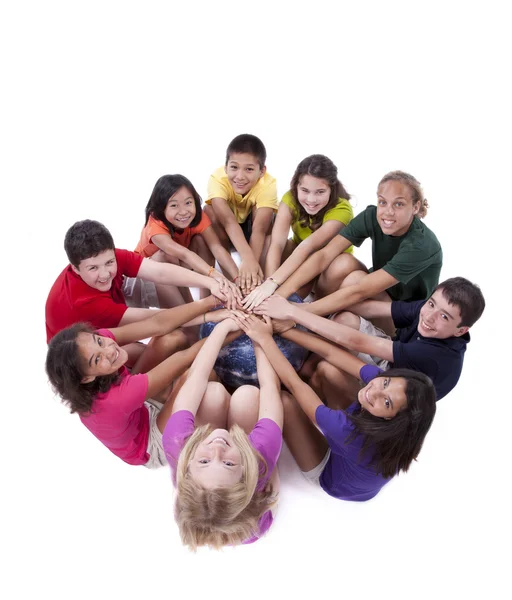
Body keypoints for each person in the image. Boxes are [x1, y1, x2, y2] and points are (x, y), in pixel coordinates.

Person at [233, 314, 436, 502]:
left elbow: (295, 384)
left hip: (334, 478)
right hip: (356, 453)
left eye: (387, 402)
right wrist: (285, 329)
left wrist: (264, 338)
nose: (374, 392)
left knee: (285, 401)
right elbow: (330, 352)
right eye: (384, 384)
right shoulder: (384, 384)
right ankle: (314, 403)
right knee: (327, 370)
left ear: (392, 420)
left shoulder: (349, 432)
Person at [45, 298, 239, 468]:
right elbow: (187, 357)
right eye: (97, 359)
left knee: (169, 339)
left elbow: (157, 323)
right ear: (86, 378)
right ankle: (231, 420)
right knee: (199, 376)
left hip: (138, 410)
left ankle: (177, 398)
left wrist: (211, 302)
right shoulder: (117, 399)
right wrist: (237, 325)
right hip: (149, 443)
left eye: (100, 341)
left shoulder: (96, 344)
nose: (109, 350)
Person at [255, 276, 486, 401]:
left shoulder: (435, 355)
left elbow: (359, 342)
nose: (430, 316)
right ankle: (306, 358)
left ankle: (307, 379)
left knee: (327, 369)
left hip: (392, 390)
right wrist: (305, 309)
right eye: (432, 304)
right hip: (398, 354)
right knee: (346, 315)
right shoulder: (430, 309)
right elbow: (374, 308)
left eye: (444, 316)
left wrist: (292, 314)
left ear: (460, 330)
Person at [162, 315, 284, 549]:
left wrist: (223, 327)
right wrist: (260, 337)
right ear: (247, 471)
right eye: (228, 464)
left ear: (187, 468)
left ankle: (215, 470)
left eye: (205, 460)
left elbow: (196, 375)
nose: (217, 447)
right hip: (252, 507)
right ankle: (247, 472)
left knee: (212, 393)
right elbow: (270, 387)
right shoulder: (261, 454)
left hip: (204, 487)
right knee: (247, 397)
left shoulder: (176, 442)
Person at [272, 171, 442, 335]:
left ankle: (310, 317)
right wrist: (277, 294)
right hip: (375, 292)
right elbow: (325, 254)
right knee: (342, 262)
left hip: (400, 319)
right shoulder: (372, 216)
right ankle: (317, 315)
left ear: (415, 207)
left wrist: (296, 313)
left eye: (399, 204)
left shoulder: (421, 245)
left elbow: (360, 290)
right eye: (383, 202)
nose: (388, 212)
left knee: (354, 281)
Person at [45, 219, 233, 343]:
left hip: (114, 299)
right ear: (75, 269)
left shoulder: (108, 257)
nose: (104, 274)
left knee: (160, 259)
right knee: (168, 340)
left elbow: (159, 272)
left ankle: (194, 332)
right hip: (84, 346)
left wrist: (211, 282)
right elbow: (156, 320)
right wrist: (209, 312)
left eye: (109, 262)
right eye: (93, 268)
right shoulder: (84, 303)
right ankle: (191, 335)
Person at [243, 154, 353, 310]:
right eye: (305, 190)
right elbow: (277, 243)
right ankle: (265, 295)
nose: (311, 199)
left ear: (332, 189)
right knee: (268, 242)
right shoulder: (290, 199)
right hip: (299, 257)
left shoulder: (342, 209)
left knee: (316, 260)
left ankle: (309, 306)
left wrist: (274, 284)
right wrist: (269, 283)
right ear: (296, 186)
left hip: (327, 265)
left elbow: (308, 247)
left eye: (320, 192)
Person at [135, 174, 242, 304]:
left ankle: (209, 301)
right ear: (161, 208)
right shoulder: (155, 226)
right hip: (149, 276)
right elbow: (184, 254)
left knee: (200, 240)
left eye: (188, 203)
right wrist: (216, 276)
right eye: (174, 205)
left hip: (179, 263)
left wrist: (237, 279)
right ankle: (189, 309)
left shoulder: (197, 216)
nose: (184, 211)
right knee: (167, 255)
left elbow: (216, 247)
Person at [204, 134, 279, 295]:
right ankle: (230, 280)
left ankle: (256, 281)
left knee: (271, 217)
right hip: (227, 227)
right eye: (234, 167)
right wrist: (247, 258)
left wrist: (251, 262)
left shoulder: (268, 184)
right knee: (208, 210)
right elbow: (228, 221)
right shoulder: (217, 179)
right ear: (226, 167)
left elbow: (260, 228)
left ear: (261, 171)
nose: (240, 176)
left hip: (253, 228)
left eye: (249, 169)